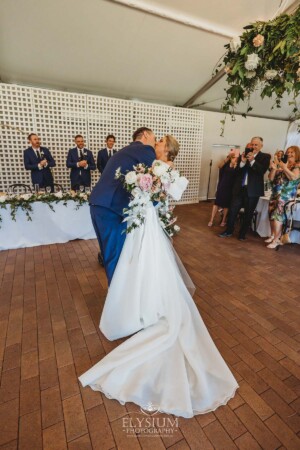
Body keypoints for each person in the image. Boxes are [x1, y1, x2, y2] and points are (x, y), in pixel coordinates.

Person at [79, 135, 238, 418]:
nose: (158, 143)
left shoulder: (159, 165)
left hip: (144, 218)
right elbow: (151, 191)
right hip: (142, 218)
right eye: (158, 139)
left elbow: (160, 194)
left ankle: (134, 302)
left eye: (162, 141)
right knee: (137, 262)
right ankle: (134, 299)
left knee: (137, 262)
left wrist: (149, 191)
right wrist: (147, 191)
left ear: (167, 149)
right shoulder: (153, 164)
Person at [89, 127, 156, 284]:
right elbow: (155, 180)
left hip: (99, 203)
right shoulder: (145, 149)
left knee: (109, 254)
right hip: (110, 208)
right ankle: (117, 300)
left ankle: (118, 292)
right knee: (114, 257)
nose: (154, 142)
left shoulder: (125, 151)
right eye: (154, 137)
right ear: (146, 135)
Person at [219, 137, 271, 240]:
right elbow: (236, 171)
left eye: (256, 145)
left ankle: (242, 234)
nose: (253, 147)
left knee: (248, 213)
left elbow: (261, 171)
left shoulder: (265, 157)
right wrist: (242, 162)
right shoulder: (244, 155)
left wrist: (252, 160)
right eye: (252, 144)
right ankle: (228, 231)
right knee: (233, 211)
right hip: (239, 188)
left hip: (253, 191)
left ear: (261, 146)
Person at [266, 146, 300, 249]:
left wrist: (283, 167)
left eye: (292, 152)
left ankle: (277, 240)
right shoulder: (284, 164)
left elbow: (293, 177)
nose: (289, 154)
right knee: (272, 216)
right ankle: (274, 236)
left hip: (286, 197)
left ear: (297, 154)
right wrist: (274, 168)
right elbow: (271, 179)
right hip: (275, 194)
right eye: (288, 152)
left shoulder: (297, 166)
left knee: (278, 218)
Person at [208, 151, 238, 227]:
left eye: (236, 158)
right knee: (216, 203)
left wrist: (235, 167)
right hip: (222, 186)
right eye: (234, 157)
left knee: (226, 205)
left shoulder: (237, 167)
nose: (235, 159)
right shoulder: (226, 165)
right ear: (231, 158)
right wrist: (227, 158)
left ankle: (223, 220)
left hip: (230, 188)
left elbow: (236, 177)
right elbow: (219, 166)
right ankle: (211, 220)